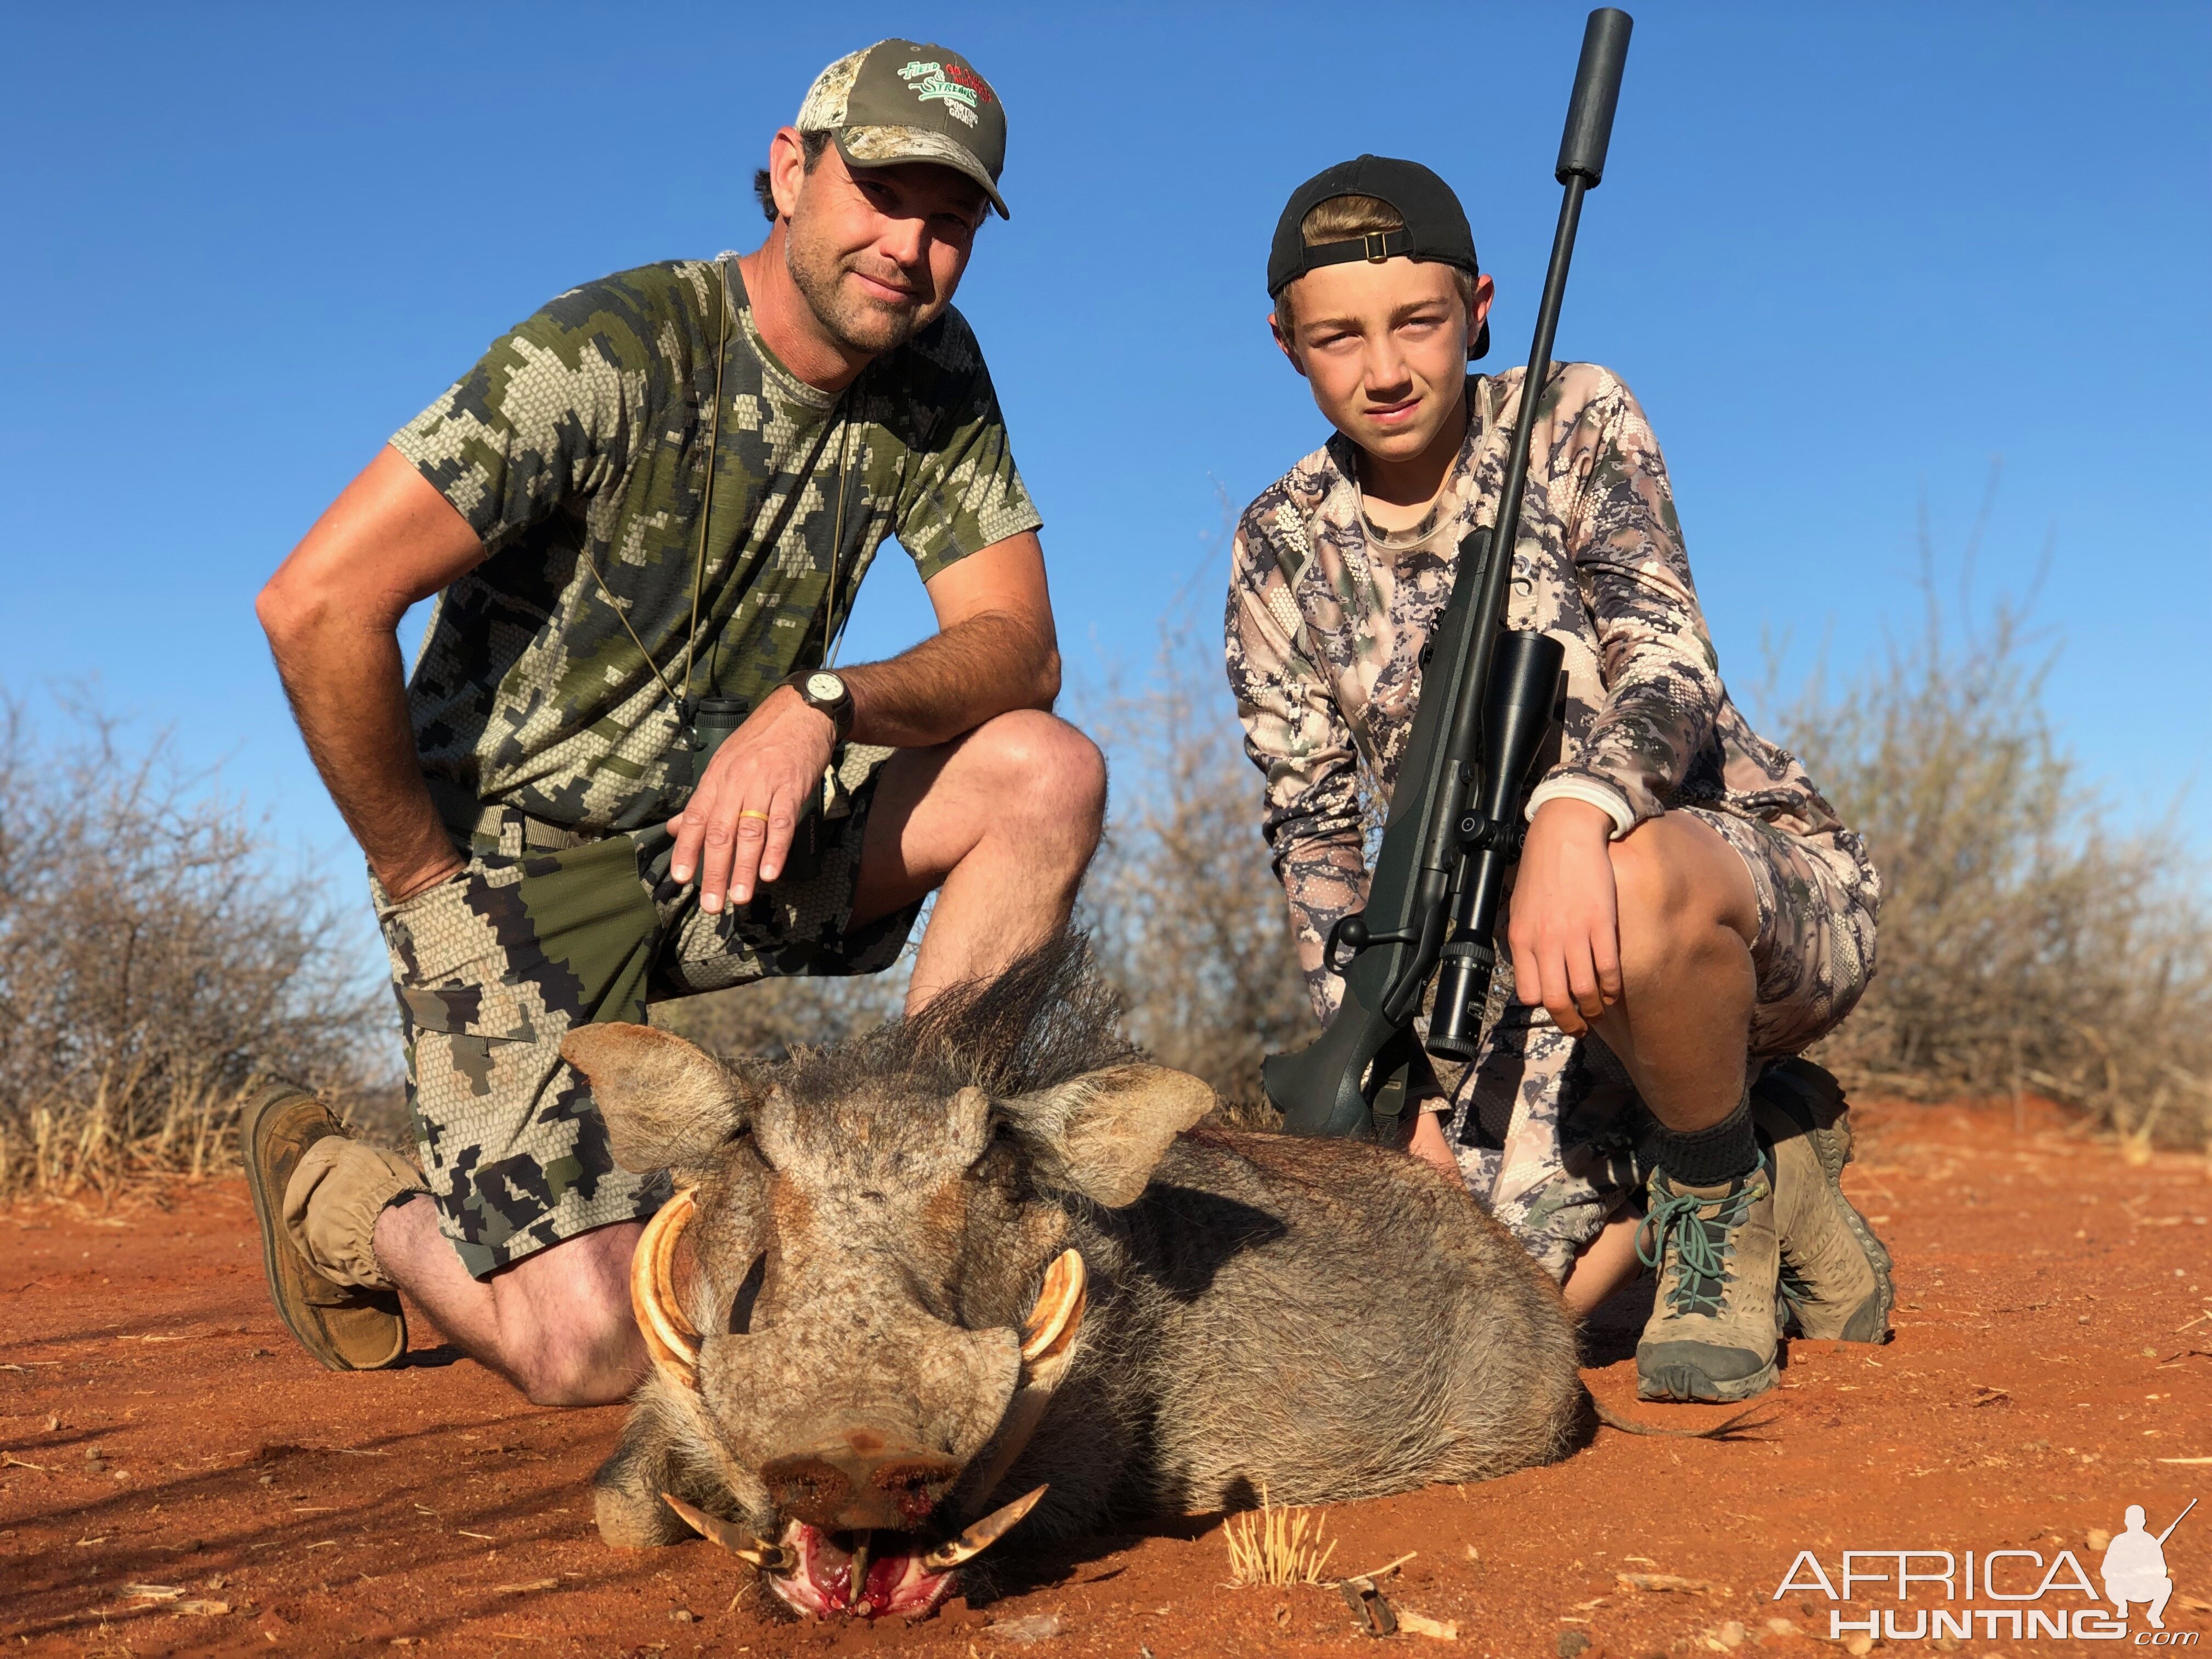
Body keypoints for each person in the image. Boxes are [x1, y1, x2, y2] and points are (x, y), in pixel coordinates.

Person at [245, 40, 1105, 1406]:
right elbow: (316, 605)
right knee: (587, 1349)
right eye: (882, 191)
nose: (910, 246)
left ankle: (909, 1203)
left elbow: (1022, 648)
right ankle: (344, 1198)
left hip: (725, 838)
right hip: (512, 871)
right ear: (789, 171)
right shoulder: (610, 350)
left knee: (1041, 778)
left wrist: (824, 702)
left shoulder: (936, 376)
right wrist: (422, 879)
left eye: (950, 221)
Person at [1226, 155, 1891, 1403]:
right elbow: (1313, 836)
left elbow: (1669, 666)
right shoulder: (1279, 541)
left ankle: (1709, 1190)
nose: (1385, 368)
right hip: (1513, 975)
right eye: (1340, 337)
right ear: (1286, 345)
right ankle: (1768, 1133)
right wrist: (1385, 1081)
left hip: (1728, 887)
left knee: (1635, 884)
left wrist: (1574, 813)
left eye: (1419, 322)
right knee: (1490, 1315)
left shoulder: (1577, 414)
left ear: (1479, 307)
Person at [2102, 1504, 2179, 1628]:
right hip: (2123, 1588)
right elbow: (2106, 1570)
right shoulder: (2119, 1541)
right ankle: (2122, 1606)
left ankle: (2154, 1615)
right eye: (2132, 1520)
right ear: (2126, 1522)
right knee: (2111, 1582)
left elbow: (2162, 1570)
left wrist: (2145, 1570)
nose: (2135, 1523)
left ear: (2143, 1522)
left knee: (2166, 1583)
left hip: (2145, 1588)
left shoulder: (2151, 1541)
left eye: (2137, 1520)